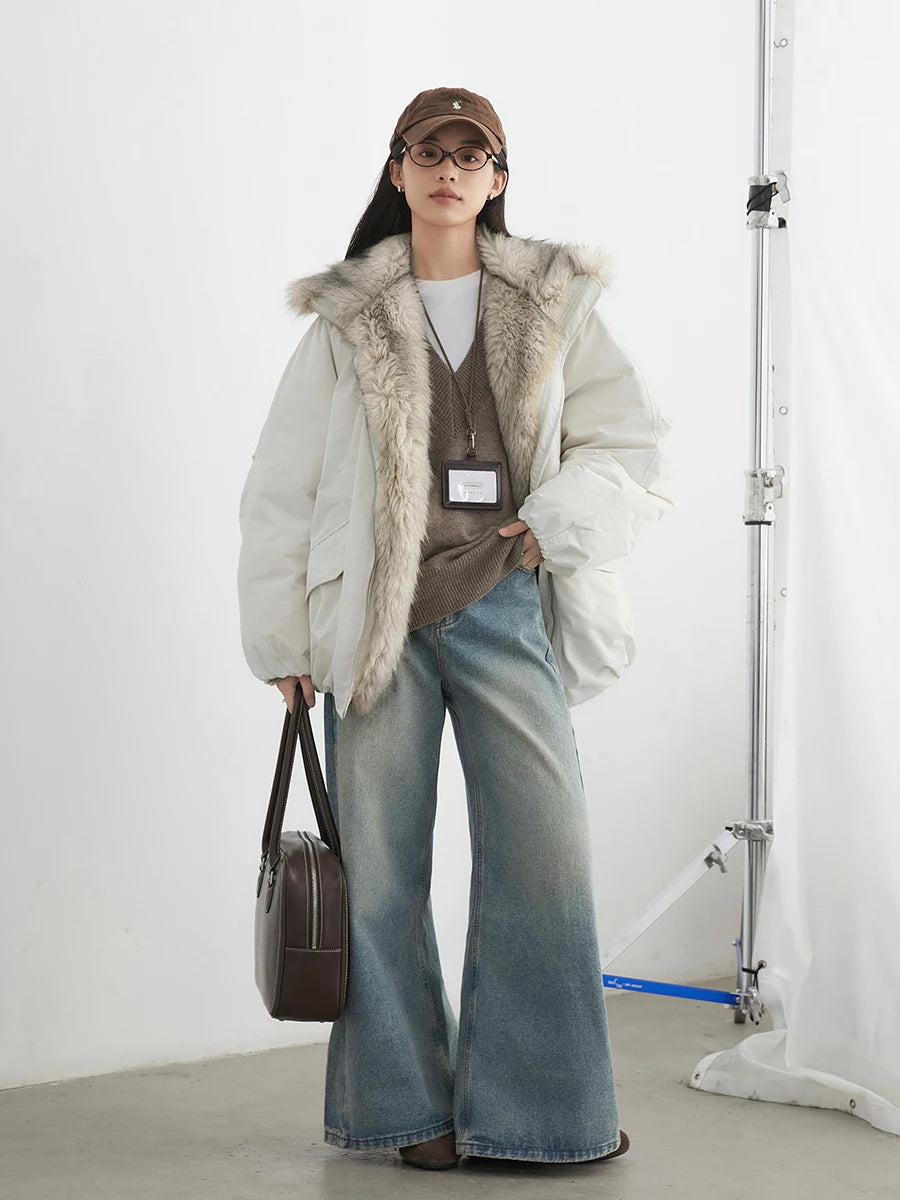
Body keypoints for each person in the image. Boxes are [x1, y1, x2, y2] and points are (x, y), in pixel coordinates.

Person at [237, 87, 674, 1170]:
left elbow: (633, 446)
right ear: (396, 173)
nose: (448, 170)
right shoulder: (348, 318)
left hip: (505, 604)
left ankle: (541, 1116)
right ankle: (404, 1116)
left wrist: (552, 524)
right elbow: (281, 487)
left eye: (470, 154)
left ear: (499, 178)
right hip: (374, 627)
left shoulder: (556, 305)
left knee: (543, 858)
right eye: (427, 152)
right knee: (378, 874)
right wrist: (285, 645)